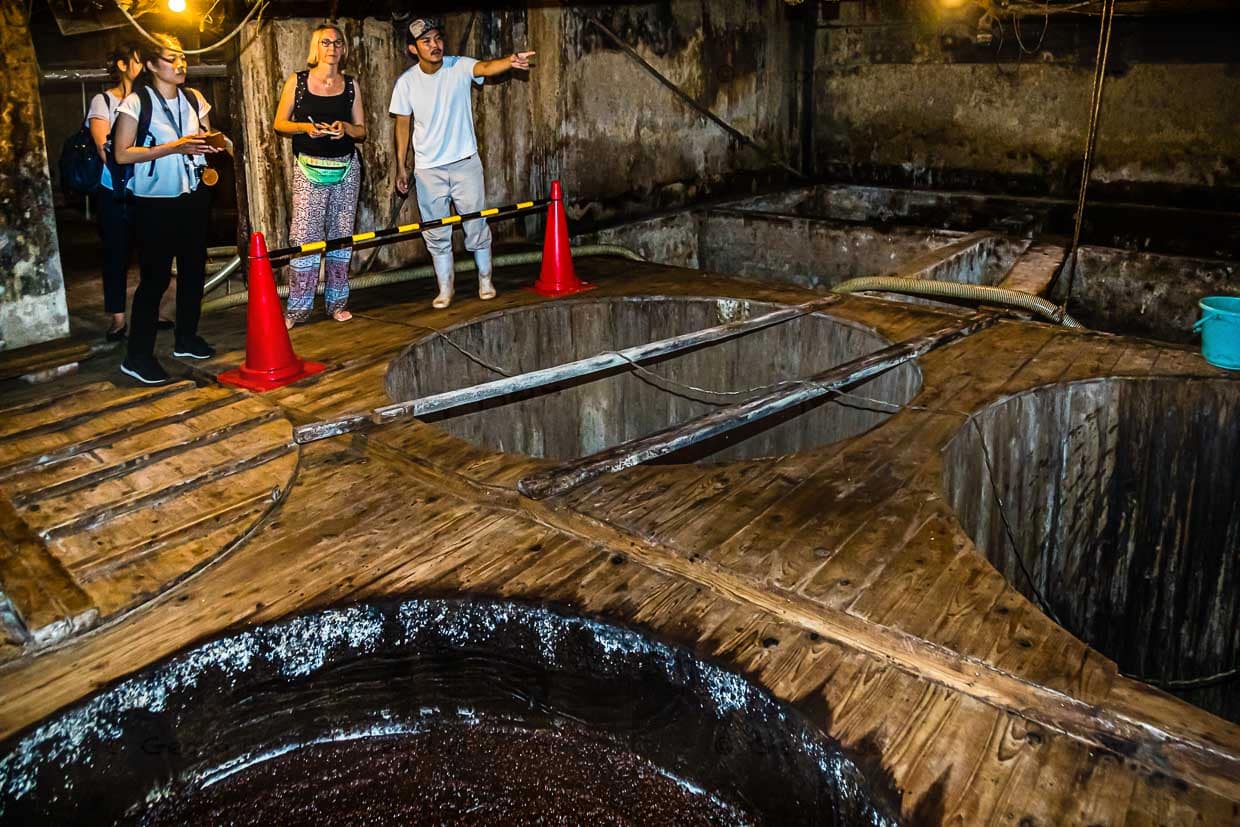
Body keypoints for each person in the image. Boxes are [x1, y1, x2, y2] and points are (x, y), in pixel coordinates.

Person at [389, 17, 534, 308]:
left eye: (438, 39)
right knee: (435, 230)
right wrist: (401, 166)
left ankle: (485, 279)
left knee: (476, 223)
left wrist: (509, 60)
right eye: (426, 41)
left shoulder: (458, 66)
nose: (435, 45)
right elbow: (402, 125)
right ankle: (446, 288)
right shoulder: (406, 83)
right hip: (428, 168)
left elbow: (484, 67)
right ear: (412, 49)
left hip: (465, 162)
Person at [112, 33, 227, 385]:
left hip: (192, 194)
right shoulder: (136, 102)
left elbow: (206, 136)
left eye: (183, 57)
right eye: (171, 58)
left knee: (193, 270)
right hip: (153, 202)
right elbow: (121, 154)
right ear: (150, 64)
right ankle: (137, 356)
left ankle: (186, 338)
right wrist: (173, 147)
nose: (181, 64)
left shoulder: (194, 99)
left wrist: (214, 146)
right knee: (156, 278)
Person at [272, 22, 367, 328]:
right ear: (316, 47)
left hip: (345, 168)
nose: (332, 48)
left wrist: (345, 128)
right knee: (305, 238)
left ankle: (337, 303)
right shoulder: (297, 82)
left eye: (338, 43)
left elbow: (362, 130)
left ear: (344, 48)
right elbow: (280, 123)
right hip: (309, 167)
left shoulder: (351, 85)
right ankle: (298, 309)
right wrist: (305, 128)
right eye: (326, 43)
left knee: (341, 238)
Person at [87, 42, 142, 341]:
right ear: (122, 65)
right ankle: (118, 318)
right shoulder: (103, 101)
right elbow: (104, 148)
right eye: (136, 61)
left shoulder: (149, 101)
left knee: (152, 252)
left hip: (148, 189)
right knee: (116, 254)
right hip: (115, 190)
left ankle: (154, 312)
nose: (142, 67)